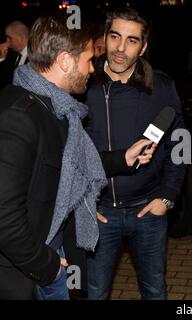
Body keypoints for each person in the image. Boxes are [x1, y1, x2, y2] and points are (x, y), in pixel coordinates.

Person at [0, 14, 155, 300]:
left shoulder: (57, 108)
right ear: (64, 61)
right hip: (29, 273)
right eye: (87, 60)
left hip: (50, 255)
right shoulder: (18, 116)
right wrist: (48, 268)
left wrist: (124, 158)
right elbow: (5, 217)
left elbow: (73, 163)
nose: (91, 69)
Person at [84, 8, 185, 300]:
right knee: (95, 292)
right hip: (100, 213)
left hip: (148, 212)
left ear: (143, 47)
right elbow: (69, 151)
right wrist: (85, 204)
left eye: (131, 40)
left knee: (155, 291)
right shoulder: (84, 84)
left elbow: (180, 140)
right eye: (115, 37)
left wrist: (167, 195)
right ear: (104, 38)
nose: (120, 48)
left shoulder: (161, 85)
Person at [0, 21, 29, 89]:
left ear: (21, 38)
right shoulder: (11, 54)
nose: (7, 41)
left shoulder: (38, 56)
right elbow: (3, 80)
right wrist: (1, 58)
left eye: (9, 37)